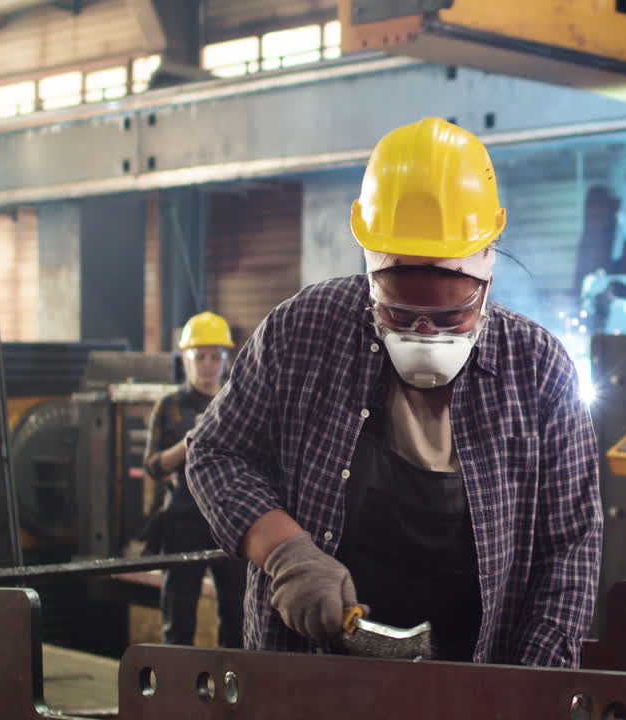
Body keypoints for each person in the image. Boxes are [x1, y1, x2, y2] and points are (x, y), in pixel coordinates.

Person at [187, 117, 602, 666]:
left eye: (450, 316)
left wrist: (531, 691)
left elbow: (569, 549)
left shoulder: (539, 369)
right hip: (307, 679)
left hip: (477, 682)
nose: (424, 335)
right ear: (371, 263)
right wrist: (284, 551)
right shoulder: (305, 332)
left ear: (488, 265)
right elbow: (216, 453)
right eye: (400, 313)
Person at [141, 311, 248, 649]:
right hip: (183, 519)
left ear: (226, 359)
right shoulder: (169, 407)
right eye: (199, 357)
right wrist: (191, 442)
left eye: (215, 356)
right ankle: (178, 692)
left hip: (229, 518)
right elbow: (153, 466)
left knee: (236, 613)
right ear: (185, 360)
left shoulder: (239, 403)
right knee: (179, 612)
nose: (207, 365)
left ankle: (233, 691)